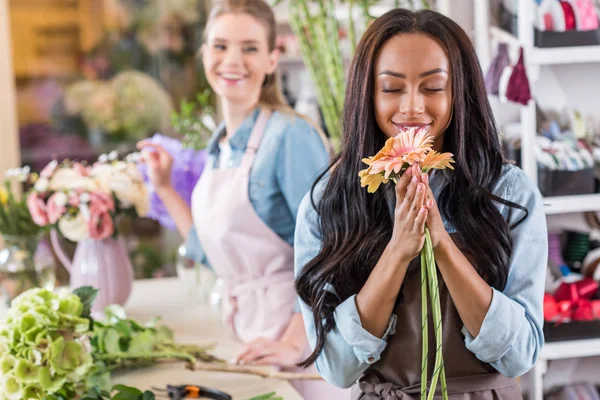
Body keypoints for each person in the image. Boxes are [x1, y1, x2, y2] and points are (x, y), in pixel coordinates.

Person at [294, 8, 547, 399]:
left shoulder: (510, 193)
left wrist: (442, 243)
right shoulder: (329, 202)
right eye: (392, 89)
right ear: (367, 93)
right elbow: (337, 367)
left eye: (432, 88)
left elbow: (521, 356)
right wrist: (398, 251)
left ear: (459, 92)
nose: (411, 107)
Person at [139, 0, 347, 398]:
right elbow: (205, 250)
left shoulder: (289, 136)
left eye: (249, 48)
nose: (232, 59)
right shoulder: (221, 144)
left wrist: (291, 342)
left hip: (301, 347)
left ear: (272, 59)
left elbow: (333, 250)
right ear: (203, 54)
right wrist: (164, 187)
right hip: (250, 338)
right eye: (219, 46)